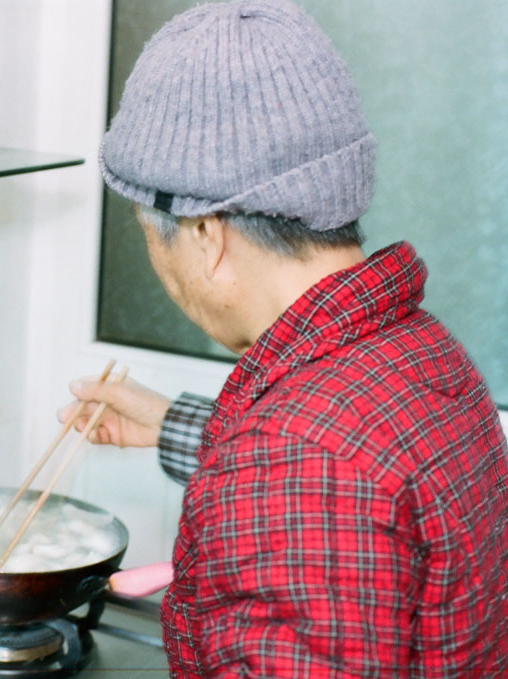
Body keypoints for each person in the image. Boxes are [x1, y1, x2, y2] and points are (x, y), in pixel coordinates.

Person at [61, 0, 508, 675]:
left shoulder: (295, 462)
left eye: (147, 231)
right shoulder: (422, 354)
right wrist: (174, 424)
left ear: (206, 234)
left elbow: (308, 470)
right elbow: (352, 460)